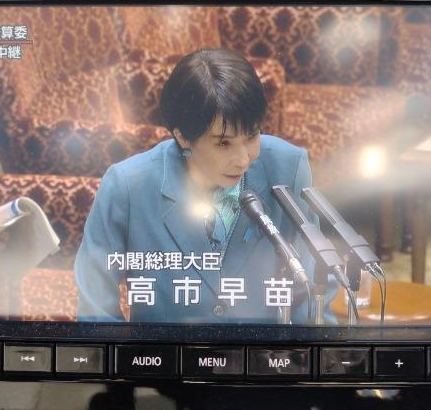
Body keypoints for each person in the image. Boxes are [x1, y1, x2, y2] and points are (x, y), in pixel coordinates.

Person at [74, 47, 335, 323]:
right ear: (182, 137)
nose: (243, 159)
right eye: (223, 143)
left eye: (252, 136)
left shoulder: (287, 167)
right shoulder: (127, 186)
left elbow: (312, 289)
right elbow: (95, 311)